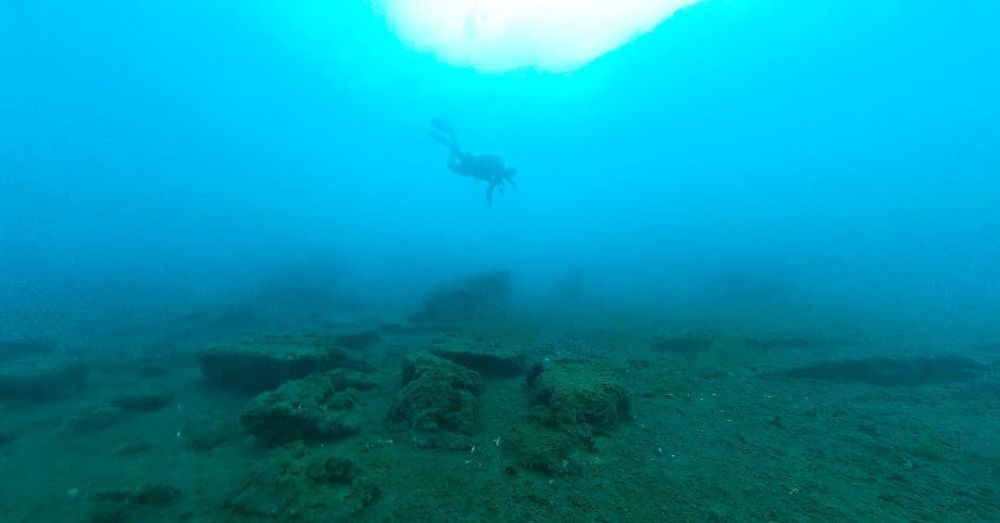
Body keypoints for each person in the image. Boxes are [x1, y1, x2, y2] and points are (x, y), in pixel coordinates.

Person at [428, 118, 517, 207]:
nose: (505, 175)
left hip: (471, 170)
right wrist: (490, 199)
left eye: (507, 175)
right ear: (507, 169)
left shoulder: (499, 177)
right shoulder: (499, 166)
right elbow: (496, 183)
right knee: (457, 152)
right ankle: (450, 133)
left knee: (451, 165)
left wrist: (490, 200)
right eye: (507, 173)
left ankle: (449, 141)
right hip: (474, 162)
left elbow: (492, 188)